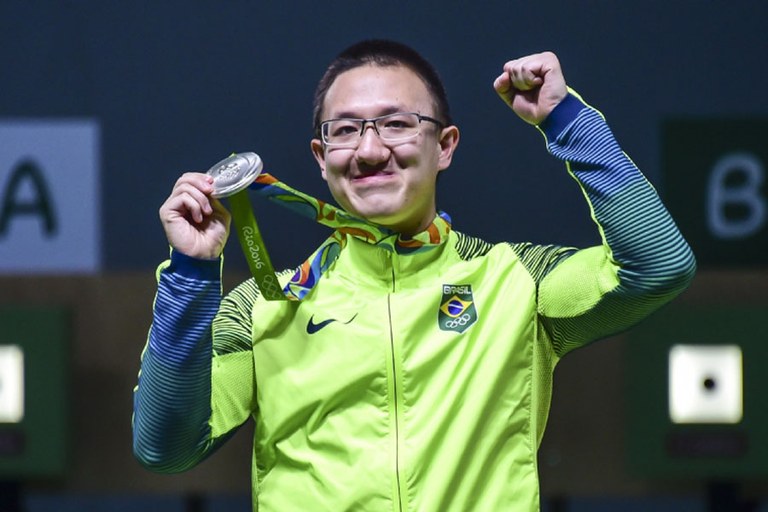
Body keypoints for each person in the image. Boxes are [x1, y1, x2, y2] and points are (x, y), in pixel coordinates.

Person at [132, 39, 696, 511]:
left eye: (397, 124)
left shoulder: (515, 281)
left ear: (444, 146)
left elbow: (658, 267)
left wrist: (568, 121)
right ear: (319, 155)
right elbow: (165, 447)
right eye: (346, 130)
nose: (370, 150)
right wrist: (190, 273)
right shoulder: (260, 304)